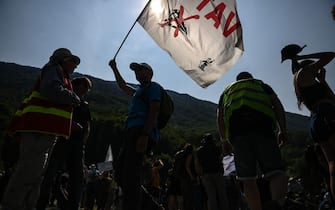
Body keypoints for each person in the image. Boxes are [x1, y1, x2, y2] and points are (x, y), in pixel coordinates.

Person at [1, 48, 81, 210]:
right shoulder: (53, 69)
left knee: (36, 174)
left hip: (45, 130)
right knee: (28, 172)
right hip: (39, 128)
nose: (75, 66)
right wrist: (74, 97)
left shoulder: (61, 74)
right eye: (73, 61)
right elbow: (51, 89)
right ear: (63, 60)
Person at [217, 71, 288, 210]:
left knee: (247, 178)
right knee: (276, 172)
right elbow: (277, 105)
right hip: (264, 130)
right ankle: (277, 204)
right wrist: (283, 131)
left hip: (238, 135)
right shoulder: (261, 85)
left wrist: (224, 140)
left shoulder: (228, 90)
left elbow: (220, 115)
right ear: (251, 78)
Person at [281, 46, 335, 201]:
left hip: (318, 119)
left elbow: (333, 100)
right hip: (326, 114)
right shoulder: (304, 73)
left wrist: (323, 81)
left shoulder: (303, 81)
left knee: (331, 162)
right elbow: (330, 54)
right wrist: (300, 57)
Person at [108, 59, 162, 210]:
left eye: (141, 69)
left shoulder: (153, 87)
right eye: (136, 70)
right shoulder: (138, 91)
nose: (137, 73)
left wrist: (145, 135)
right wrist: (114, 68)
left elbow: (155, 108)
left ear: (150, 73)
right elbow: (123, 86)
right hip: (131, 132)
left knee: (131, 174)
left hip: (141, 131)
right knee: (120, 174)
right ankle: (153, 207)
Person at [36, 76, 92, 210]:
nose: (84, 91)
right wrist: (68, 125)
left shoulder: (85, 105)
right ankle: (41, 204)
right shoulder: (64, 99)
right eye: (83, 87)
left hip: (78, 144)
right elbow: (54, 116)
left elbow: (88, 126)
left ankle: (72, 207)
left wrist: (83, 141)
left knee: (77, 178)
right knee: (50, 174)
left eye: (87, 89)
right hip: (61, 140)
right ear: (75, 86)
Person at [195, 133, 230, 210]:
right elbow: (221, 159)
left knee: (211, 196)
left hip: (206, 174)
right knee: (222, 194)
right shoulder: (217, 148)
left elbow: (197, 164)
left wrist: (199, 174)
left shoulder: (199, 151)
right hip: (218, 173)